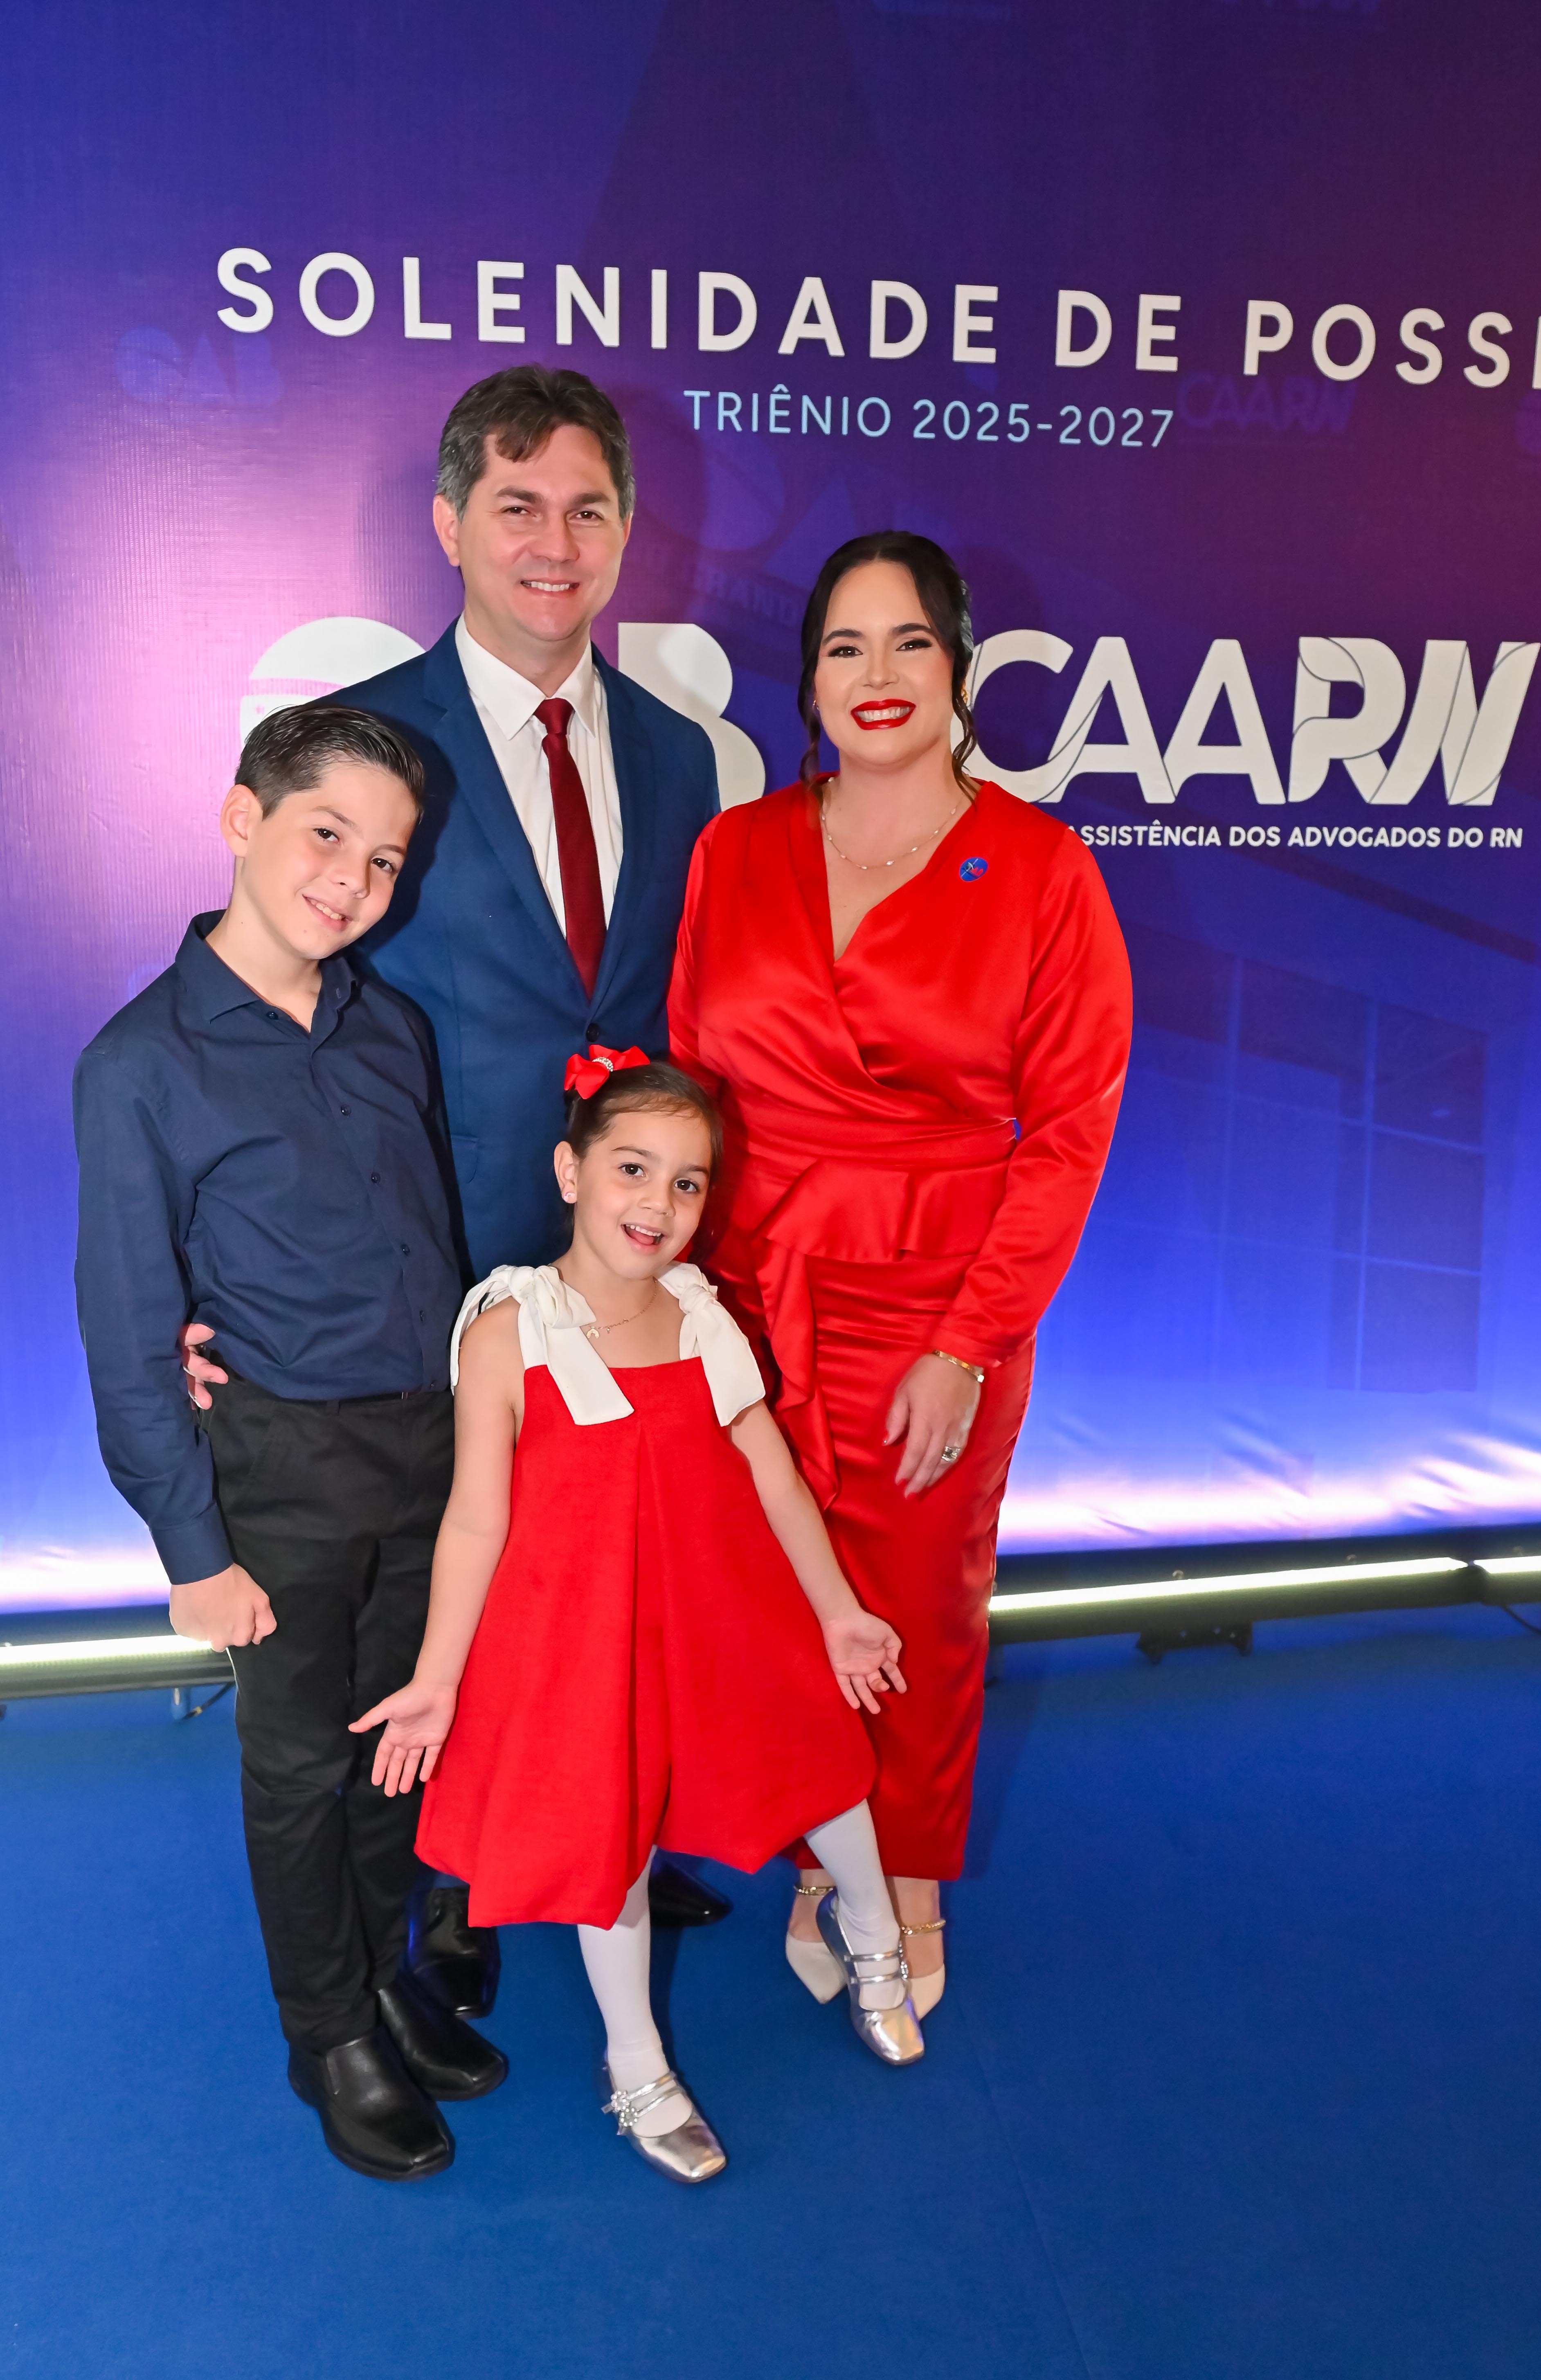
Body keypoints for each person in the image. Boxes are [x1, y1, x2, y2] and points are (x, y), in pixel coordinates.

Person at [184, 364, 728, 1997]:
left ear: (627, 529)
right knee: (451, 1568)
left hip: (616, 1249)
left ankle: (606, 1812)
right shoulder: (371, 741)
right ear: (448, 524)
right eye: (516, 505)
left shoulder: (680, 755)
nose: (553, 542)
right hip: (427, 1257)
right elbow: (259, 1008)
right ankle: (459, 1880)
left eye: (587, 508)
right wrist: (209, 1271)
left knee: (608, 1559)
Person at [667, 531, 1133, 2017]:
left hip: (937, 1305)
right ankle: (826, 1849)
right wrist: (666, 1289)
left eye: (909, 642)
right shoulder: (736, 849)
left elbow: (1068, 1136)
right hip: (751, 1294)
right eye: (845, 647)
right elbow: (689, 1080)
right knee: (778, 1596)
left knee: (919, 1607)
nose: (877, 675)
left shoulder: (1044, 869)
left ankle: (908, 1874)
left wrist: (970, 1341)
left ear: (959, 666)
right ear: (808, 678)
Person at [351, 1052, 924, 2184]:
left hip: (717, 1609)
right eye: (632, 1168)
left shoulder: (703, 1314)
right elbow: (474, 1517)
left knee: (823, 1768)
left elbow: (770, 1473)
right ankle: (637, 2064)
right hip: (581, 1632)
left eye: (688, 1182)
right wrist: (439, 1676)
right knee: (604, 1833)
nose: (658, 1203)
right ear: (570, 1171)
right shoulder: (508, 1328)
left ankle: (878, 1941)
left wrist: (839, 1612)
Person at [73, 705, 506, 2182]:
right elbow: (131, 1327)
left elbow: (430, 1244)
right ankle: (325, 2029)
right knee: (299, 1765)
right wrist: (192, 1548)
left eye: (386, 859)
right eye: (328, 835)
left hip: (426, 1450)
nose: (353, 880)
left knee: (401, 1738)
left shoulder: (393, 1027)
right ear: (242, 818)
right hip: (282, 1472)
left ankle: (384, 1976)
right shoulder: (140, 1062)